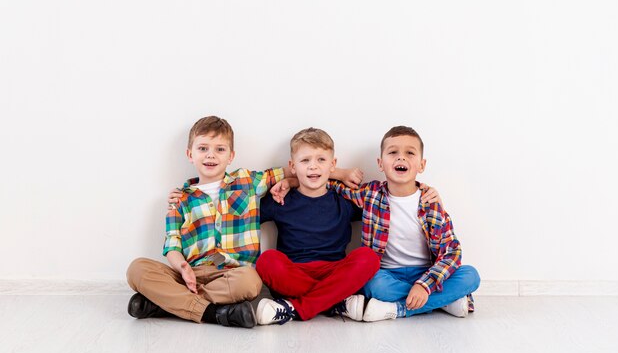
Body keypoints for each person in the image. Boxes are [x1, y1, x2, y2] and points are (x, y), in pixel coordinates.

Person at [126, 115, 292, 328]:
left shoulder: (247, 181)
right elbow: (172, 245)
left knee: (251, 282)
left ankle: (167, 303)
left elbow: (295, 171)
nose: (210, 155)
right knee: (137, 269)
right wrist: (183, 267)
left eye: (220, 149)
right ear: (190, 154)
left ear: (231, 156)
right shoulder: (181, 199)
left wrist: (339, 175)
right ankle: (215, 313)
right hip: (190, 274)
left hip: (232, 275)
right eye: (203, 148)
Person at [328, 125, 480, 321]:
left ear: (421, 165)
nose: (401, 158)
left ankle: (399, 309)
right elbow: (329, 183)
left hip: (427, 272)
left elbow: (452, 252)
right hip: (388, 275)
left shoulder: (431, 203)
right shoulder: (371, 194)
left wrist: (424, 285)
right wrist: (338, 174)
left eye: (410, 153)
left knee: (471, 276)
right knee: (372, 284)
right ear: (380, 163)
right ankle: (445, 301)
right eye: (393, 152)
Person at [253, 128, 381, 325]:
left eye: (321, 160)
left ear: (333, 165)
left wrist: (422, 191)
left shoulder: (344, 200)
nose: (313, 167)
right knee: (267, 261)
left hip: (335, 272)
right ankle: (334, 302)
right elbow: (246, 216)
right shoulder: (280, 200)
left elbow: (383, 201)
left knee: (369, 258)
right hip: (294, 273)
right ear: (292, 166)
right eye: (305, 161)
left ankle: (296, 308)